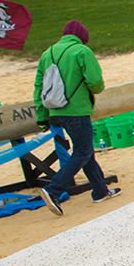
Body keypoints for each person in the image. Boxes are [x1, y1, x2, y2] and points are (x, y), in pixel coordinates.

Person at [33, 20, 120, 216]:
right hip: (76, 110)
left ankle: (100, 191)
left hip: (55, 111)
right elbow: (96, 83)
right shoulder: (81, 51)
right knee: (82, 152)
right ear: (83, 38)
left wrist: (41, 115)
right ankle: (53, 190)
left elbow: (39, 86)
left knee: (85, 150)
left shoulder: (48, 53)